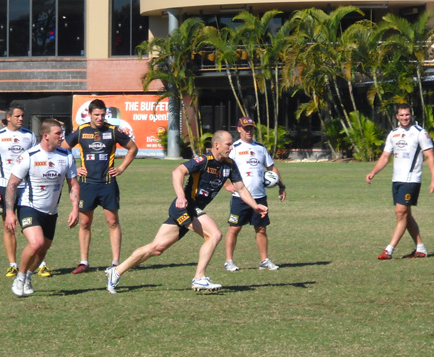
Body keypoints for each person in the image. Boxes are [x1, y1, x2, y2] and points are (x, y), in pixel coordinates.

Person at [104, 130, 268, 294]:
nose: (231, 147)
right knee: (214, 234)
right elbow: (177, 172)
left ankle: (116, 271)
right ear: (216, 145)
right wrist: (181, 196)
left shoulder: (229, 165)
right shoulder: (203, 160)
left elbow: (240, 188)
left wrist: (255, 205)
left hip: (191, 210)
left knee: (156, 248)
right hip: (185, 207)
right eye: (228, 144)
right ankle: (199, 278)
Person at [61, 99, 138, 274]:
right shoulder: (81, 131)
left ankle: (116, 263)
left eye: (103, 115)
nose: (100, 118)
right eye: (97, 115)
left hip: (107, 184)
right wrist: (73, 168)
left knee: (112, 222)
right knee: (85, 223)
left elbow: (133, 148)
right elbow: (63, 149)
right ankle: (83, 262)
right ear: (89, 114)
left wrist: (121, 168)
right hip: (86, 184)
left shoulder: (112, 131)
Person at [4, 119, 79, 297]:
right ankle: (20, 277)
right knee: (36, 243)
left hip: (51, 212)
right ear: (46, 136)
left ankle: (28, 276)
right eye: (58, 134)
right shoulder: (29, 156)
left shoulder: (66, 156)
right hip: (29, 207)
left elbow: (74, 185)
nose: (62, 136)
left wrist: (75, 208)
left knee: (43, 249)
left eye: (62, 133)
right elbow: (12, 184)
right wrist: (9, 212)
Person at [0, 103, 53, 278]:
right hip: (4, 186)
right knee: (8, 226)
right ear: (8, 117)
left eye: (22, 116)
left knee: (34, 225)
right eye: (17, 116)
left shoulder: (29, 136)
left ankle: (42, 264)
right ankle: (13, 264)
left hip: (27, 187)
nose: (21, 119)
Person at [366, 103, 434, 259]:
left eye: (407, 114)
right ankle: (421, 248)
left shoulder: (420, 133)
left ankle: (389, 250)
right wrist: (373, 172)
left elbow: (430, 157)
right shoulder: (393, 134)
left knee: (400, 212)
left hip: (412, 180)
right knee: (406, 214)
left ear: (411, 115)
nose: (405, 117)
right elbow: (385, 157)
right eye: (402, 115)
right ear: (397, 116)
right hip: (397, 179)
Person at [223, 116, 286, 272]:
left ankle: (264, 260)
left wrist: (281, 186)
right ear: (239, 129)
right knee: (234, 228)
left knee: (261, 229)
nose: (249, 131)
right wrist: (226, 184)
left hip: (260, 196)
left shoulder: (260, 148)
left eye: (251, 128)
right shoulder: (234, 148)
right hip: (240, 197)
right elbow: (222, 166)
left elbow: (271, 168)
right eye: (245, 128)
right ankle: (229, 261)